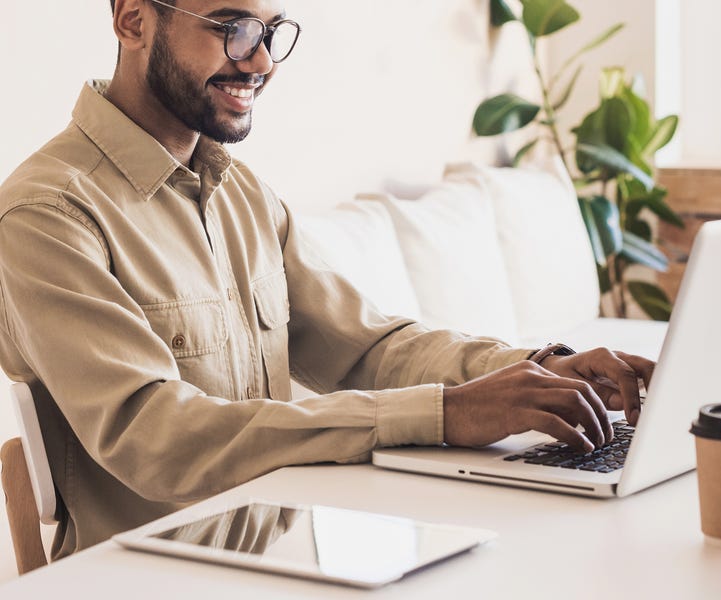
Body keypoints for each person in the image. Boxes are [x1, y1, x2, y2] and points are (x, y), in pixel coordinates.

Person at [0, 0, 654, 559]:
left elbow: (367, 347)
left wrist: (536, 372)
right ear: (133, 21)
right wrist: (445, 414)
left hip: (286, 566)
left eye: (270, 31)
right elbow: (154, 436)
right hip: (147, 581)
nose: (261, 61)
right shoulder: (47, 214)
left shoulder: (241, 193)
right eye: (232, 29)